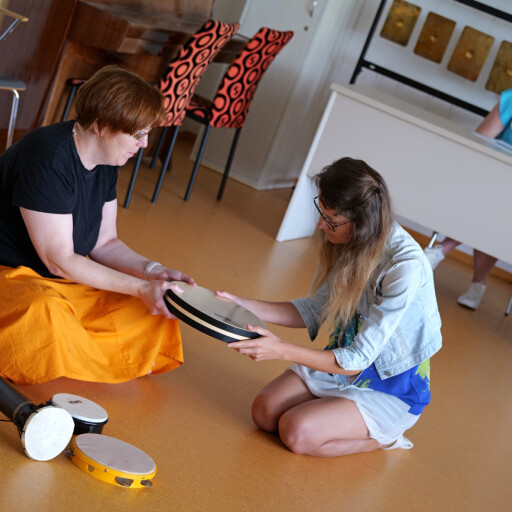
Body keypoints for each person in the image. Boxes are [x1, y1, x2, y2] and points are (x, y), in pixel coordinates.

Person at [217, 157, 442, 457]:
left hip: (389, 386)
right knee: (264, 411)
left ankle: (386, 437)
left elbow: (358, 360)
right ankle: (334, 413)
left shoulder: (405, 268)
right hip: (343, 365)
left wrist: (281, 349)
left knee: (296, 432)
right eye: (322, 213)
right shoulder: (351, 240)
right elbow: (312, 311)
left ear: (361, 223)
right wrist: (241, 304)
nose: (321, 225)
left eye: (331, 221)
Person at [0, 65, 194, 385]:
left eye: (147, 134)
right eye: (137, 134)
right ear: (101, 126)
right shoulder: (47, 157)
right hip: (13, 276)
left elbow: (105, 243)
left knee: (151, 310)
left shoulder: (107, 159)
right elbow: (59, 260)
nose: (144, 144)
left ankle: (71, 353)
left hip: (58, 280)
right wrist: (141, 287)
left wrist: (152, 273)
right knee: (44, 311)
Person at [424, 88, 512, 310]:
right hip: (491, 174)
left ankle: (440, 250)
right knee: (489, 202)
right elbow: (481, 138)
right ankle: (477, 284)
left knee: (499, 209)